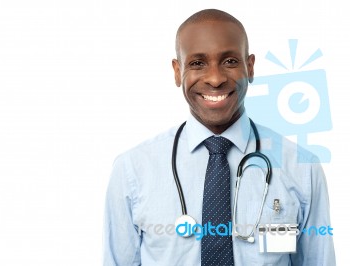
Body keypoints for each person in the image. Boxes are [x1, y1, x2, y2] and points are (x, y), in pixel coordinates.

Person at [103, 9, 335, 265]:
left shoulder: (302, 167)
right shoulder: (132, 170)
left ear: (250, 67)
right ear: (177, 71)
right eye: (197, 63)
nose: (215, 79)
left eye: (230, 61)